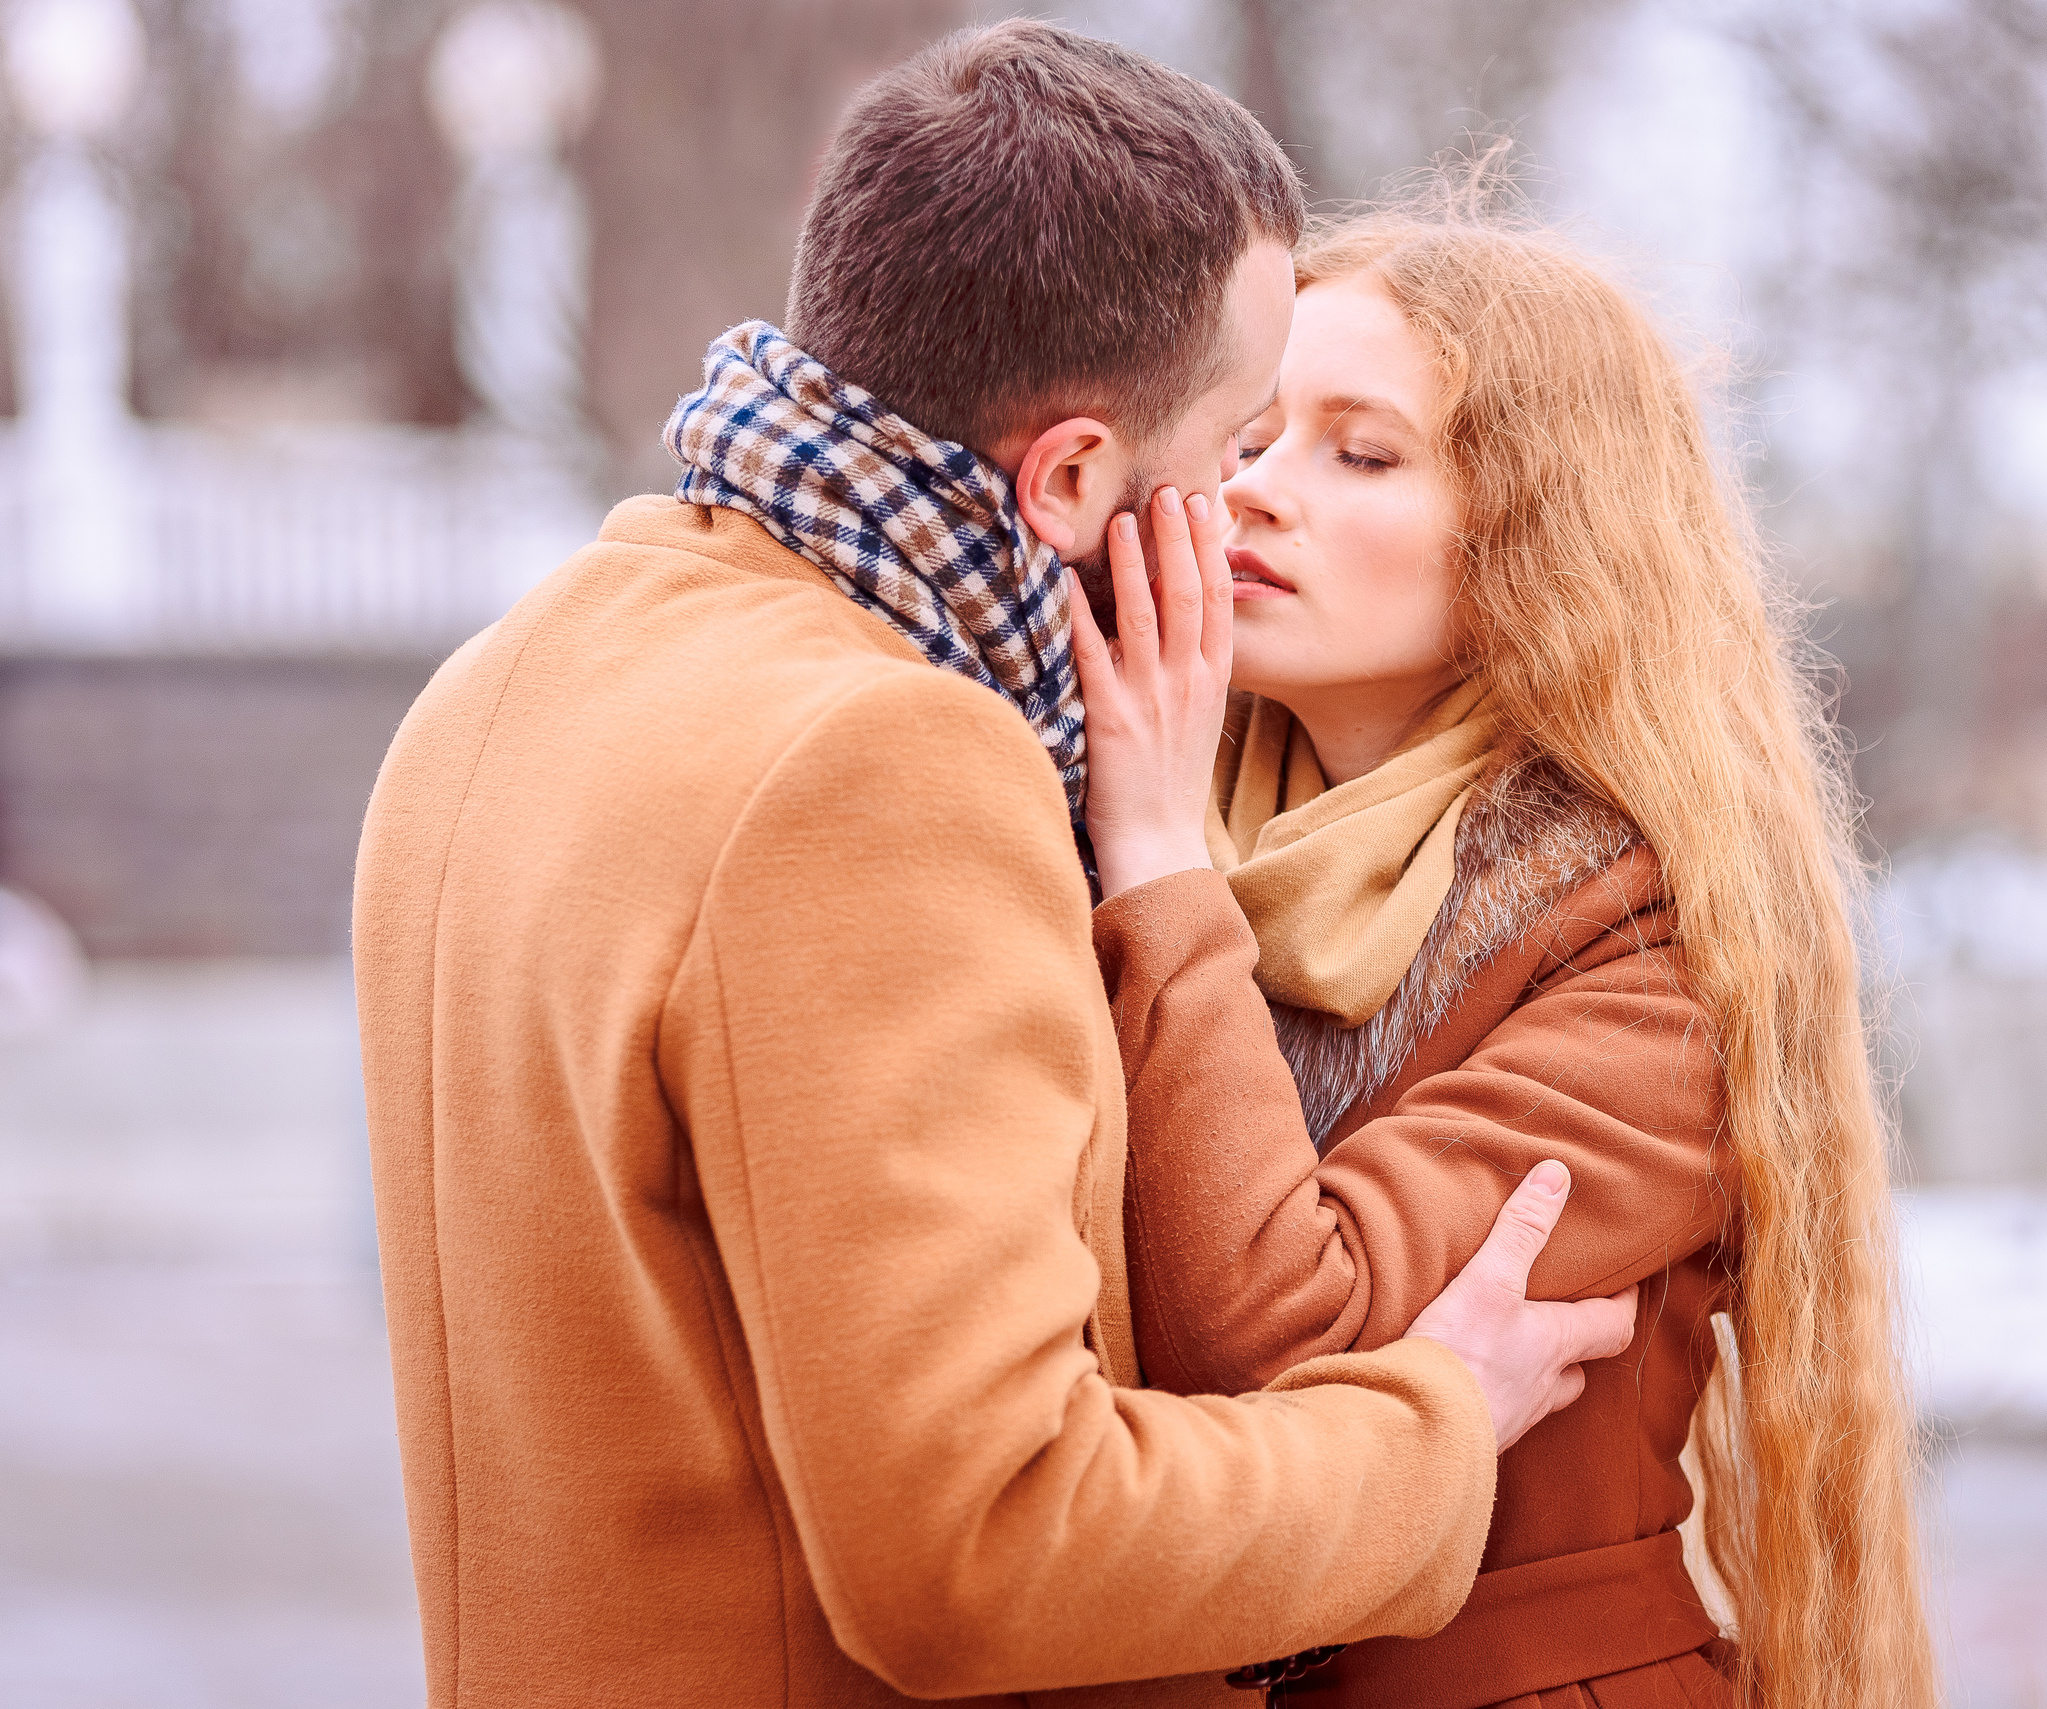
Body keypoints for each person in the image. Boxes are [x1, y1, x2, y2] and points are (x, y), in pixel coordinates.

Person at [351, 28, 1637, 1709]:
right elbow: (985, 1541)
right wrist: (1434, 1434)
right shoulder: (887, 767)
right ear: (1077, 478)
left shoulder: (504, 684)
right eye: (1234, 441)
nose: (1244, 505)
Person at [1070, 212, 1940, 1709]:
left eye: (1362, 453)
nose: (1254, 495)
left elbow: (1276, 1334)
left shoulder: (1651, 943)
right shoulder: (1115, 813)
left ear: (1538, 535)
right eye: (1253, 433)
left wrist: (1157, 867)